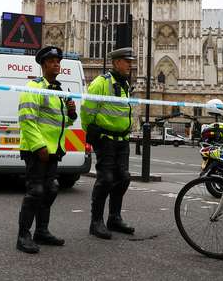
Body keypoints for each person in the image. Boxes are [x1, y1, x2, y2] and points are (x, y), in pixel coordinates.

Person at [16, 45, 77, 254]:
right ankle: (23, 235)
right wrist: (39, 146)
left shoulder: (59, 91)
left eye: (58, 61)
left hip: (53, 150)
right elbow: (26, 119)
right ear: (43, 65)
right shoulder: (33, 87)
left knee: (50, 189)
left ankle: (41, 231)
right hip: (37, 150)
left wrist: (71, 114)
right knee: (36, 191)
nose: (56, 64)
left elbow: (62, 123)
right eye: (52, 61)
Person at [81, 47, 136, 240]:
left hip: (122, 140)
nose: (130, 64)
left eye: (131, 61)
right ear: (116, 62)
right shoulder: (100, 83)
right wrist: (92, 131)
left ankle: (114, 218)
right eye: (127, 61)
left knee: (124, 178)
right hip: (106, 140)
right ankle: (96, 222)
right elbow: (87, 110)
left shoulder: (124, 84)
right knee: (105, 179)